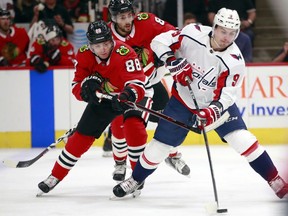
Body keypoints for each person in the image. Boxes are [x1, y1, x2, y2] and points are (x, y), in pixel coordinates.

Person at [112, 8, 288, 200]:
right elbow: (158, 42)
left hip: (215, 106)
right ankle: (135, 179)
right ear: (214, 27)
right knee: (160, 146)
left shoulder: (235, 61)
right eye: (223, 31)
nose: (226, 37)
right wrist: (172, 62)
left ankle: (275, 179)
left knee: (243, 139)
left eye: (232, 33)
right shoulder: (192, 33)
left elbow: (228, 94)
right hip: (182, 101)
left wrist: (213, 110)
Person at [37, 20, 146, 196]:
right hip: (103, 100)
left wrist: (127, 94)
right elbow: (76, 86)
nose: (102, 49)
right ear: (90, 46)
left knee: (134, 130)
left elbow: (138, 82)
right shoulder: (83, 55)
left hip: (127, 98)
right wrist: (86, 91)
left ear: (112, 41)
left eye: (106, 43)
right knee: (79, 138)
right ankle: (55, 176)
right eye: (97, 45)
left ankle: (137, 179)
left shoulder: (125, 52)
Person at [106, 0, 191, 182]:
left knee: (169, 119)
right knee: (119, 125)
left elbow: (173, 33)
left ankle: (172, 155)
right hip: (125, 89)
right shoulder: (106, 36)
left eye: (130, 15)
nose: (128, 20)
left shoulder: (146, 21)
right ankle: (120, 163)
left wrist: (166, 51)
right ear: (113, 19)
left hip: (152, 81)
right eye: (122, 17)